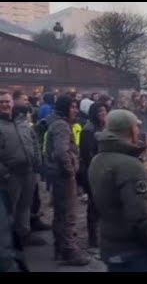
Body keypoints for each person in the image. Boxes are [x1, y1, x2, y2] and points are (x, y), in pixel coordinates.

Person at [88, 109, 147, 272]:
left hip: (111, 243)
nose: (138, 130)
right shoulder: (130, 166)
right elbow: (139, 216)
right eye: (136, 127)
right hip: (134, 250)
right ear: (130, 130)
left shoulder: (98, 159)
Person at [44, 94, 90, 266]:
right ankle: (69, 251)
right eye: (72, 107)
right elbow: (61, 152)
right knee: (68, 214)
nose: (75, 110)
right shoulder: (62, 125)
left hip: (58, 174)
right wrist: (70, 171)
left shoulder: (57, 123)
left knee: (60, 213)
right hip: (63, 176)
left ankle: (60, 248)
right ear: (65, 108)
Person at [0, 91, 44, 247]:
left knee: (25, 205)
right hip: (10, 175)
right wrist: (4, 173)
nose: (5, 104)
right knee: (8, 209)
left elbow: (34, 142)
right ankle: (8, 241)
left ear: (12, 103)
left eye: (7, 101)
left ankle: (24, 235)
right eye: (2, 102)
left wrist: (38, 163)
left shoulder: (22, 122)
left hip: (29, 171)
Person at [79, 102, 107, 249]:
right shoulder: (88, 129)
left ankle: (101, 234)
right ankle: (93, 238)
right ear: (94, 113)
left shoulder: (104, 127)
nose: (103, 113)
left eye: (104, 110)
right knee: (94, 204)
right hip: (92, 170)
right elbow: (86, 153)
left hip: (103, 169)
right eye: (100, 111)